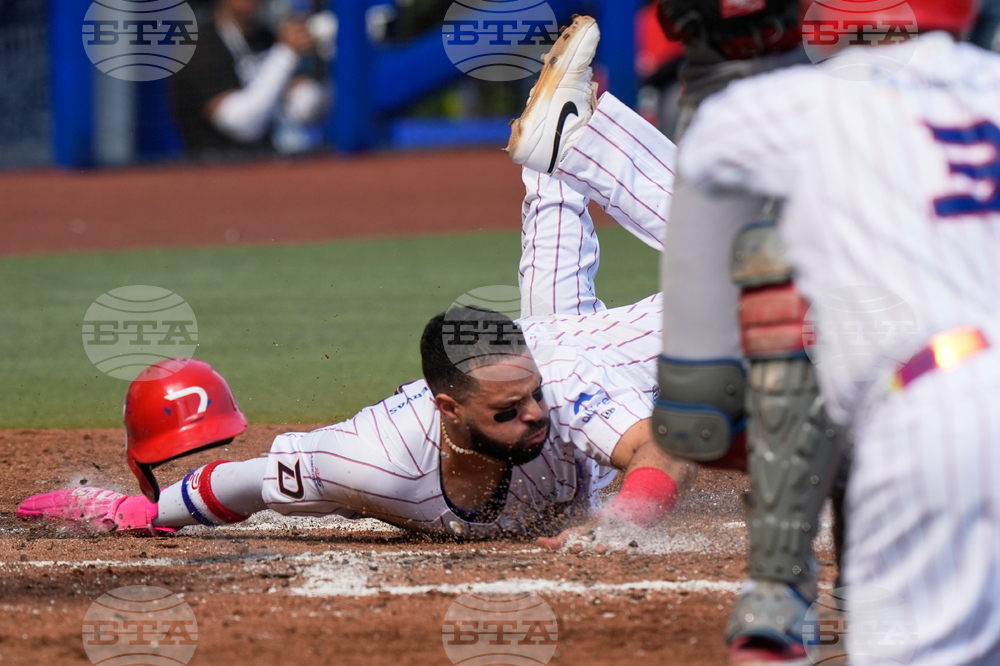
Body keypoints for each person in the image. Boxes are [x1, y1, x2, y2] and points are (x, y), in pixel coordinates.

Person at [19, 21, 700, 546]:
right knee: (575, 298)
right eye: (507, 410)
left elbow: (659, 447)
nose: (534, 415)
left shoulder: (560, 388)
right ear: (448, 409)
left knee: (747, 280)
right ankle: (558, 159)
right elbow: (246, 482)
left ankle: (569, 148)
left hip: (585, 358)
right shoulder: (373, 459)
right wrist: (142, 513)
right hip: (551, 350)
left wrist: (623, 527)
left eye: (530, 398)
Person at [506, 8, 846, 664]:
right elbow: (667, 454)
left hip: (554, 368)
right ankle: (566, 150)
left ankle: (570, 145)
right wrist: (629, 515)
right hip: (555, 370)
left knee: (783, 270)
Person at [664, 1, 998, 664]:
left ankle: (780, 592)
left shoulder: (801, 103)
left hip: (937, 415)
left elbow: (707, 151)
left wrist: (725, 61)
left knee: (779, 264)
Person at [171, 0, 327, 159]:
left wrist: (326, 54)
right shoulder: (199, 46)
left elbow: (303, 106)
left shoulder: (265, 38)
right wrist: (286, 54)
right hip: (216, 166)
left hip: (271, 163)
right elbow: (243, 125)